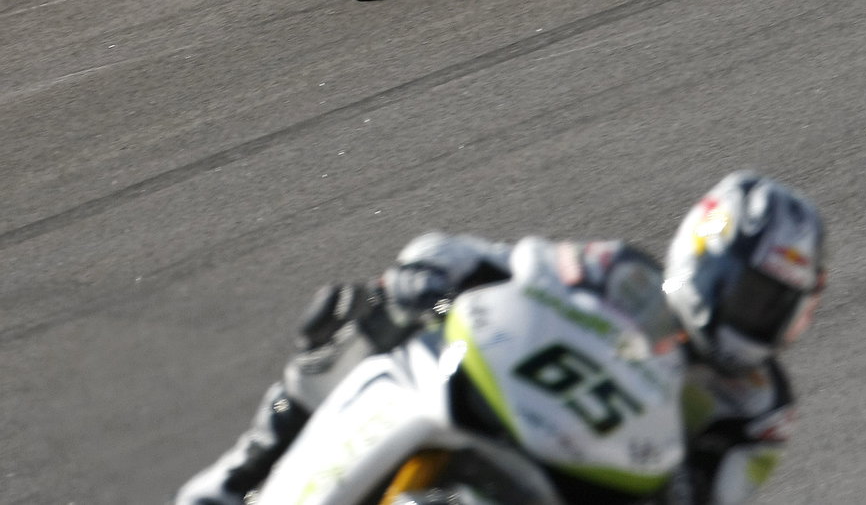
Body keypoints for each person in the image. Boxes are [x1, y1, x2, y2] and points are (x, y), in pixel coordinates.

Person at [174, 172, 827, 505]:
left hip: (602, 489)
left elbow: (725, 494)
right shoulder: (617, 272)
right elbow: (499, 260)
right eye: (755, 295)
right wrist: (429, 271)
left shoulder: (760, 405)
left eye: (778, 307)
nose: (760, 318)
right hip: (510, 406)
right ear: (703, 259)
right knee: (355, 314)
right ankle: (240, 477)